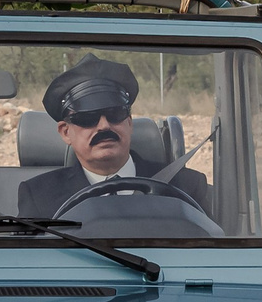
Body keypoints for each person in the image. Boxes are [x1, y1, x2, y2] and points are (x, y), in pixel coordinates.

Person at [17, 55, 211, 221]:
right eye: (88, 118)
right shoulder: (39, 196)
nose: (104, 126)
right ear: (66, 132)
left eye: (114, 114)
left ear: (129, 122)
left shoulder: (187, 187)